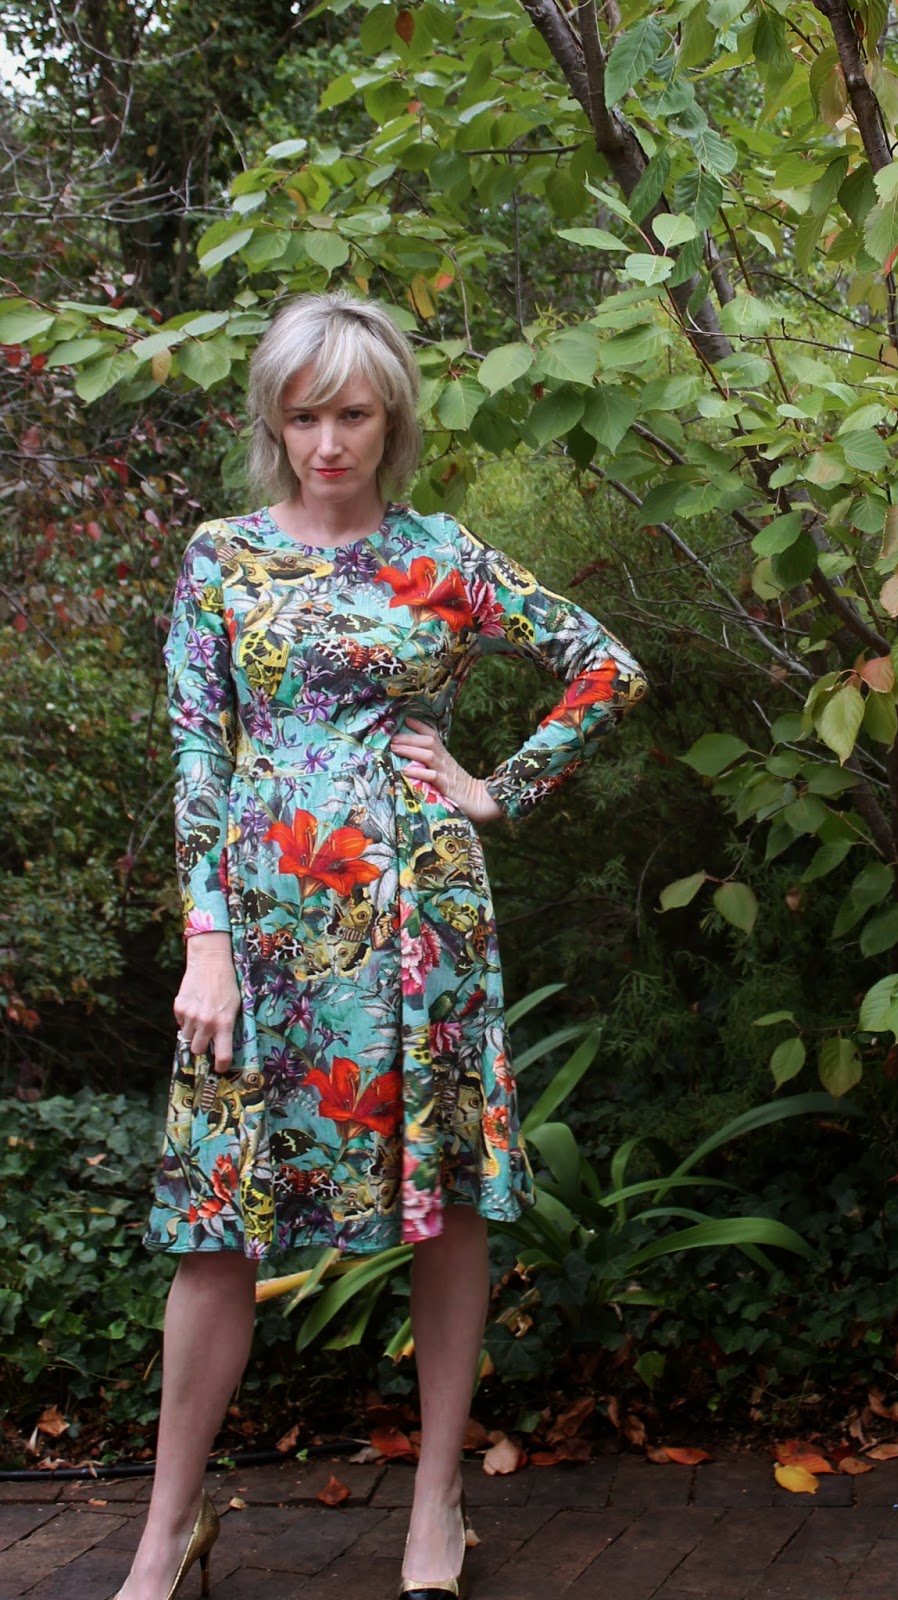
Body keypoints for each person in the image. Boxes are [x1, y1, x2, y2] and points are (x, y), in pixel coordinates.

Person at [116, 291, 647, 1600]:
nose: (327, 442)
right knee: (215, 1221)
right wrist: (204, 940)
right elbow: (197, 758)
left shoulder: (442, 557)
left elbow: (604, 667)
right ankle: (164, 1534)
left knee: (445, 1207)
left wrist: (496, 789)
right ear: (274, 420)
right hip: (257, 932)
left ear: (391, 419)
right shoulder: (221, 558)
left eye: (352, 413)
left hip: (419, 925)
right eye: (304, 415)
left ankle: (435, 1509)